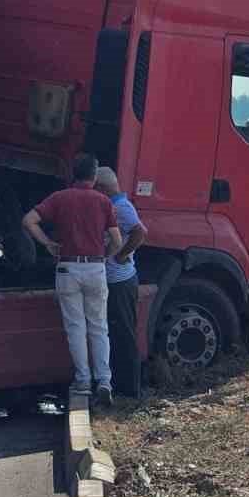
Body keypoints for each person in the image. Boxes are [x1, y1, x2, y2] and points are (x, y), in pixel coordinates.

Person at [22, 153, 123, 407]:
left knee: (76, 328)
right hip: (95, 269)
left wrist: (47, 243)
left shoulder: (59, 198)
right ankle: (104, 381)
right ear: (94, 175)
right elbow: (118, 240)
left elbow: (28, 220)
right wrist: (104, 256)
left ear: (73, 174)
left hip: (67, 268)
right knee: (99, 327)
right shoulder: (103, 202)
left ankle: (83, 380)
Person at [95, 166, 148, 399]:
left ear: (101, 188)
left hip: (120, 282)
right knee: (117, 332)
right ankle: (123, 386)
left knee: (124, 333)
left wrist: (120, 255)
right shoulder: (116, 205)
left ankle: (130, 390)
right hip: (117, 281)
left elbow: (140, 232)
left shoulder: (120, 208)